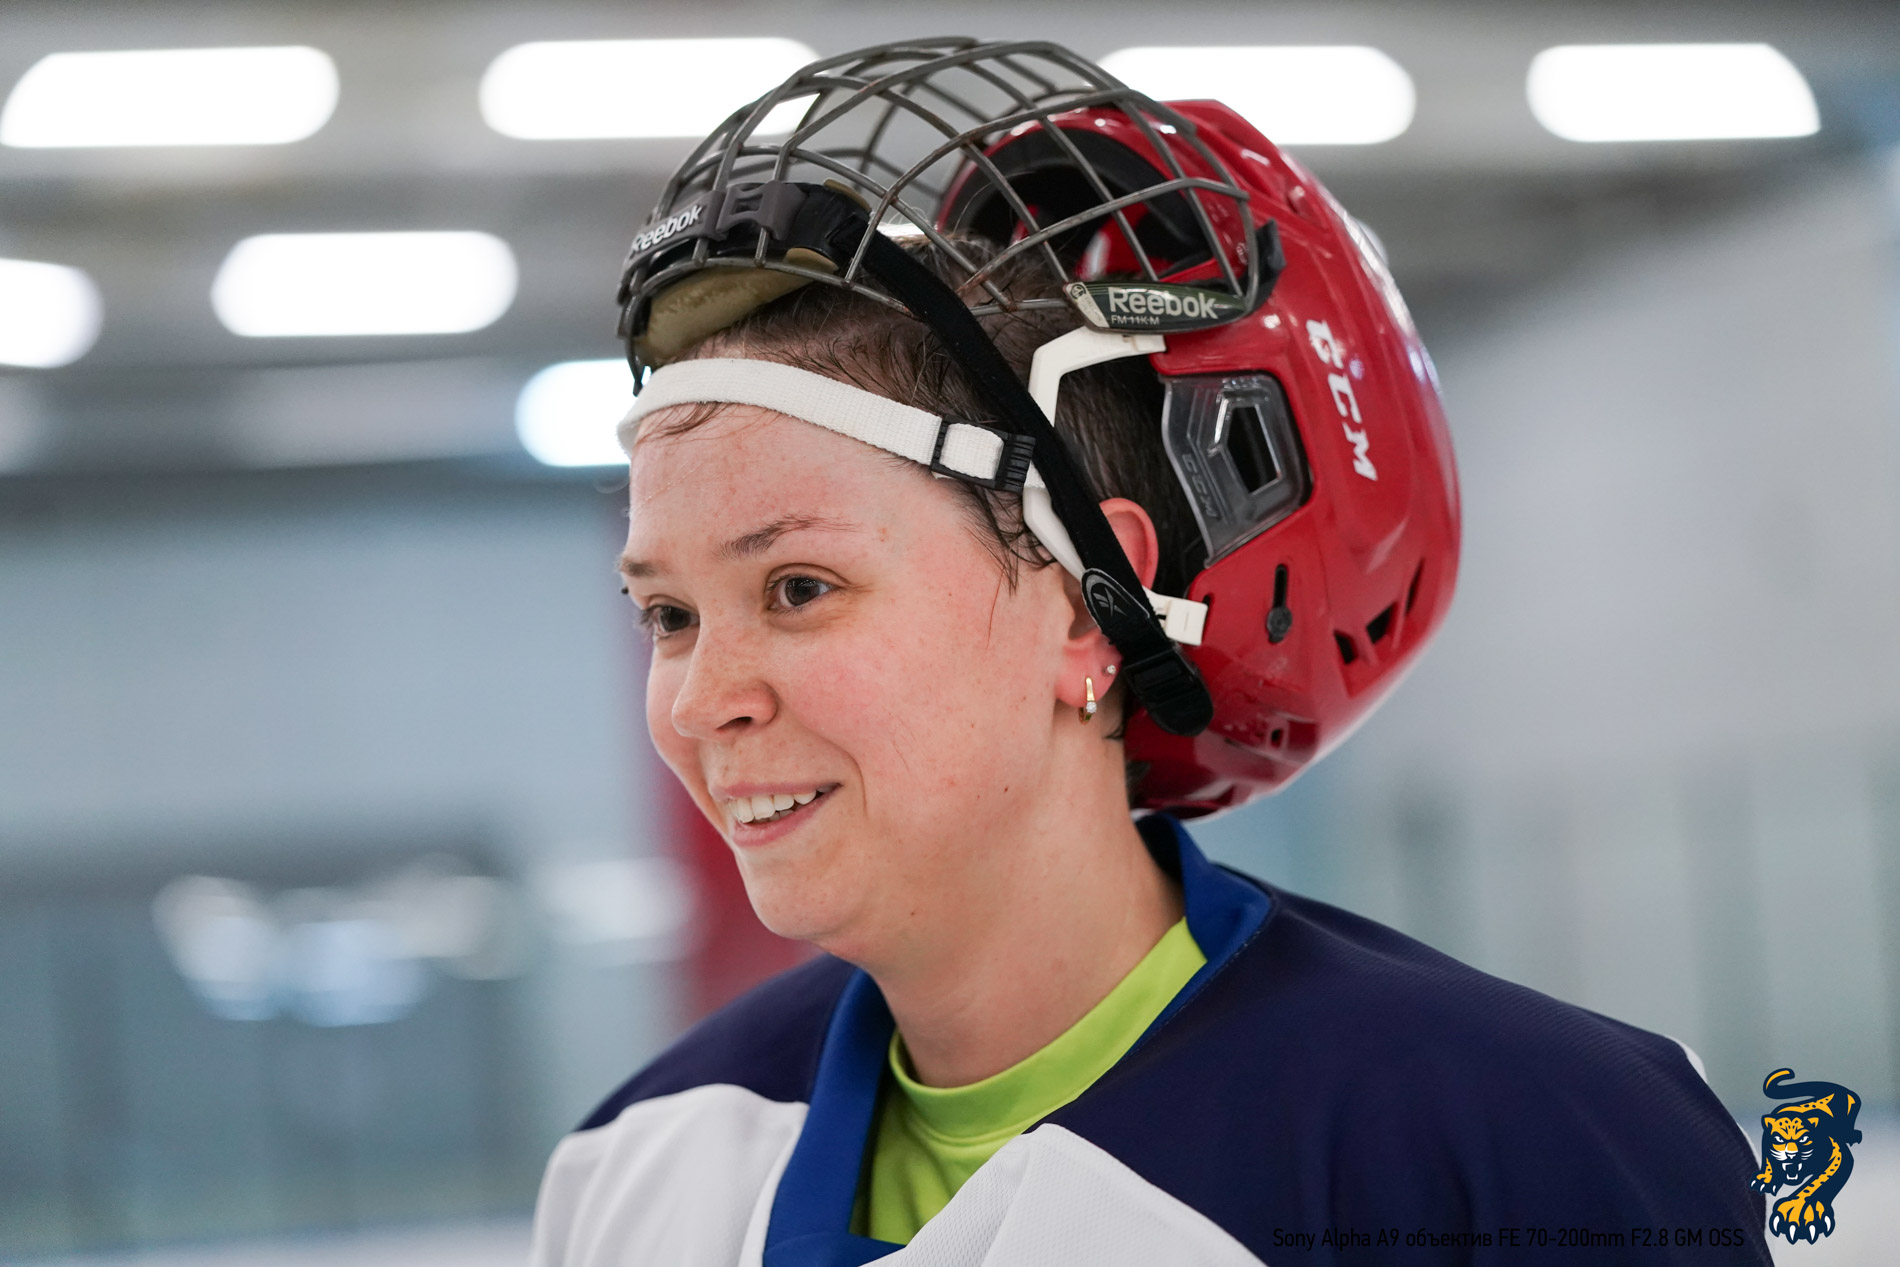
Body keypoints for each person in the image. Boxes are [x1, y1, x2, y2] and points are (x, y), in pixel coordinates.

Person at [531, 38, 1769, 1267]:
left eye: (799, 588)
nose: (699, 702)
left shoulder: (1517, 1155)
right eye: (668, 615)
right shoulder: (635, 1164)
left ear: (1087, 605)